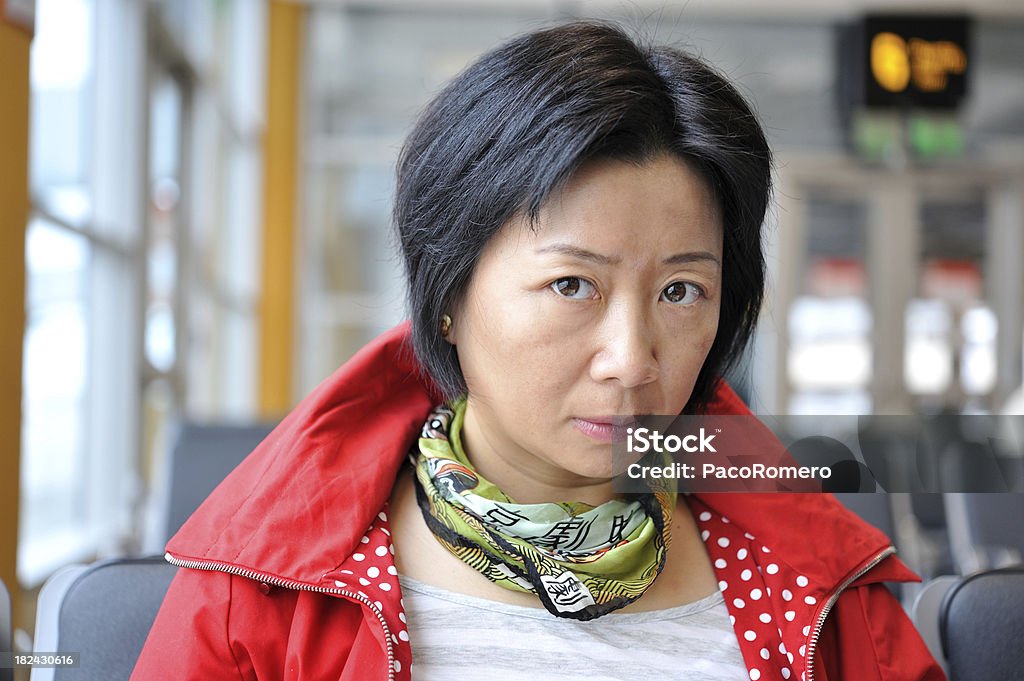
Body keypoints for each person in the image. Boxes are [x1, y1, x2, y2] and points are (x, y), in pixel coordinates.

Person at [131, 21, 944, 681]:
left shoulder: (820, 590)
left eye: (680, 291)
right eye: (571, 285)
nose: (632, 358)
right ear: (448, 297)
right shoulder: (270, 597)